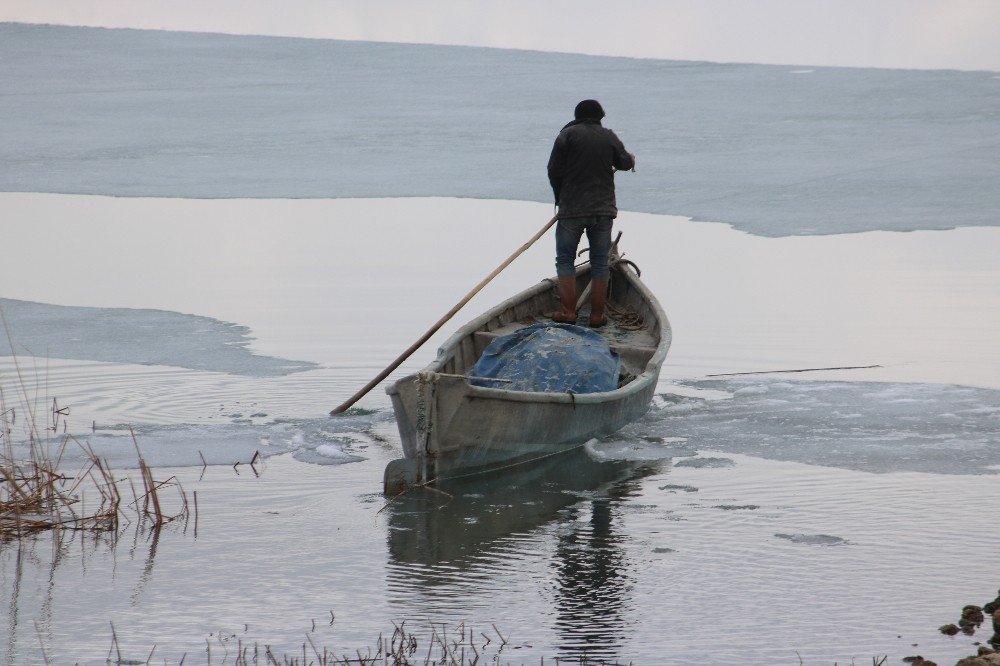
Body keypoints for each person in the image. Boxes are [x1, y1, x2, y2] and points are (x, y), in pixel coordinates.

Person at [547, 99, 635, 327]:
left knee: (565, 259)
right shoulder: (608, 136)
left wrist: (560, 197)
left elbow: (553, 170)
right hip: (603, 210)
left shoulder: (566, 135)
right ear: (600, 116)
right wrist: (630, 159)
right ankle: (597, 316)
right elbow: (624, 162)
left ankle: (568, 313)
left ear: (577, 116)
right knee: (599, 263)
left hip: (572, 210)